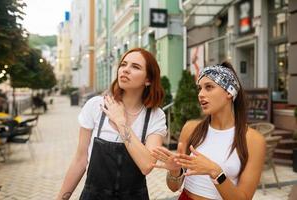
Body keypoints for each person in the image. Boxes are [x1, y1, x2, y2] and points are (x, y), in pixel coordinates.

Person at [57, 48, 167, 200]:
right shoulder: (96, 106)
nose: (125, 70)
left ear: (148, 80)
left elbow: (147, 165)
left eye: (135, 67)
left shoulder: (155, 116)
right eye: (123, 65)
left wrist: (121, 122)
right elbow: (80, 160)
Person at [152, 62, 266, 200]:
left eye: (209, 87)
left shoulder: (253, 140)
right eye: (200, 88)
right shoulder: (190, 129)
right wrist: (174, 171)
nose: (200, 94)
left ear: (229, 92)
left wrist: (215, 172)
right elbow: (174, 187)